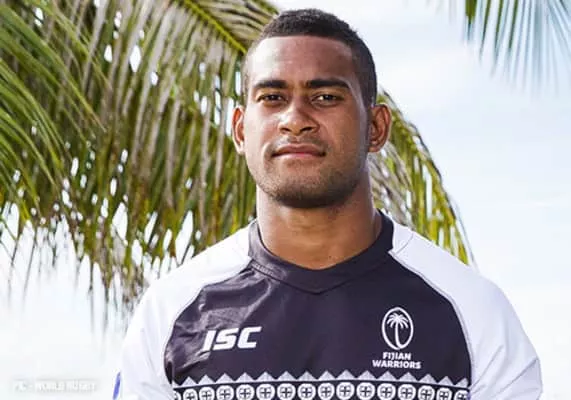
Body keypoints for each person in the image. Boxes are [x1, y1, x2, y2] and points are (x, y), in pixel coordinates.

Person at [114, 8, 542, 400]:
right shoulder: (170, 314)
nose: (295, 119)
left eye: (325, 98)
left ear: (376, 128)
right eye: (272, 97)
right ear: (241, 130)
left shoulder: (474, 315)